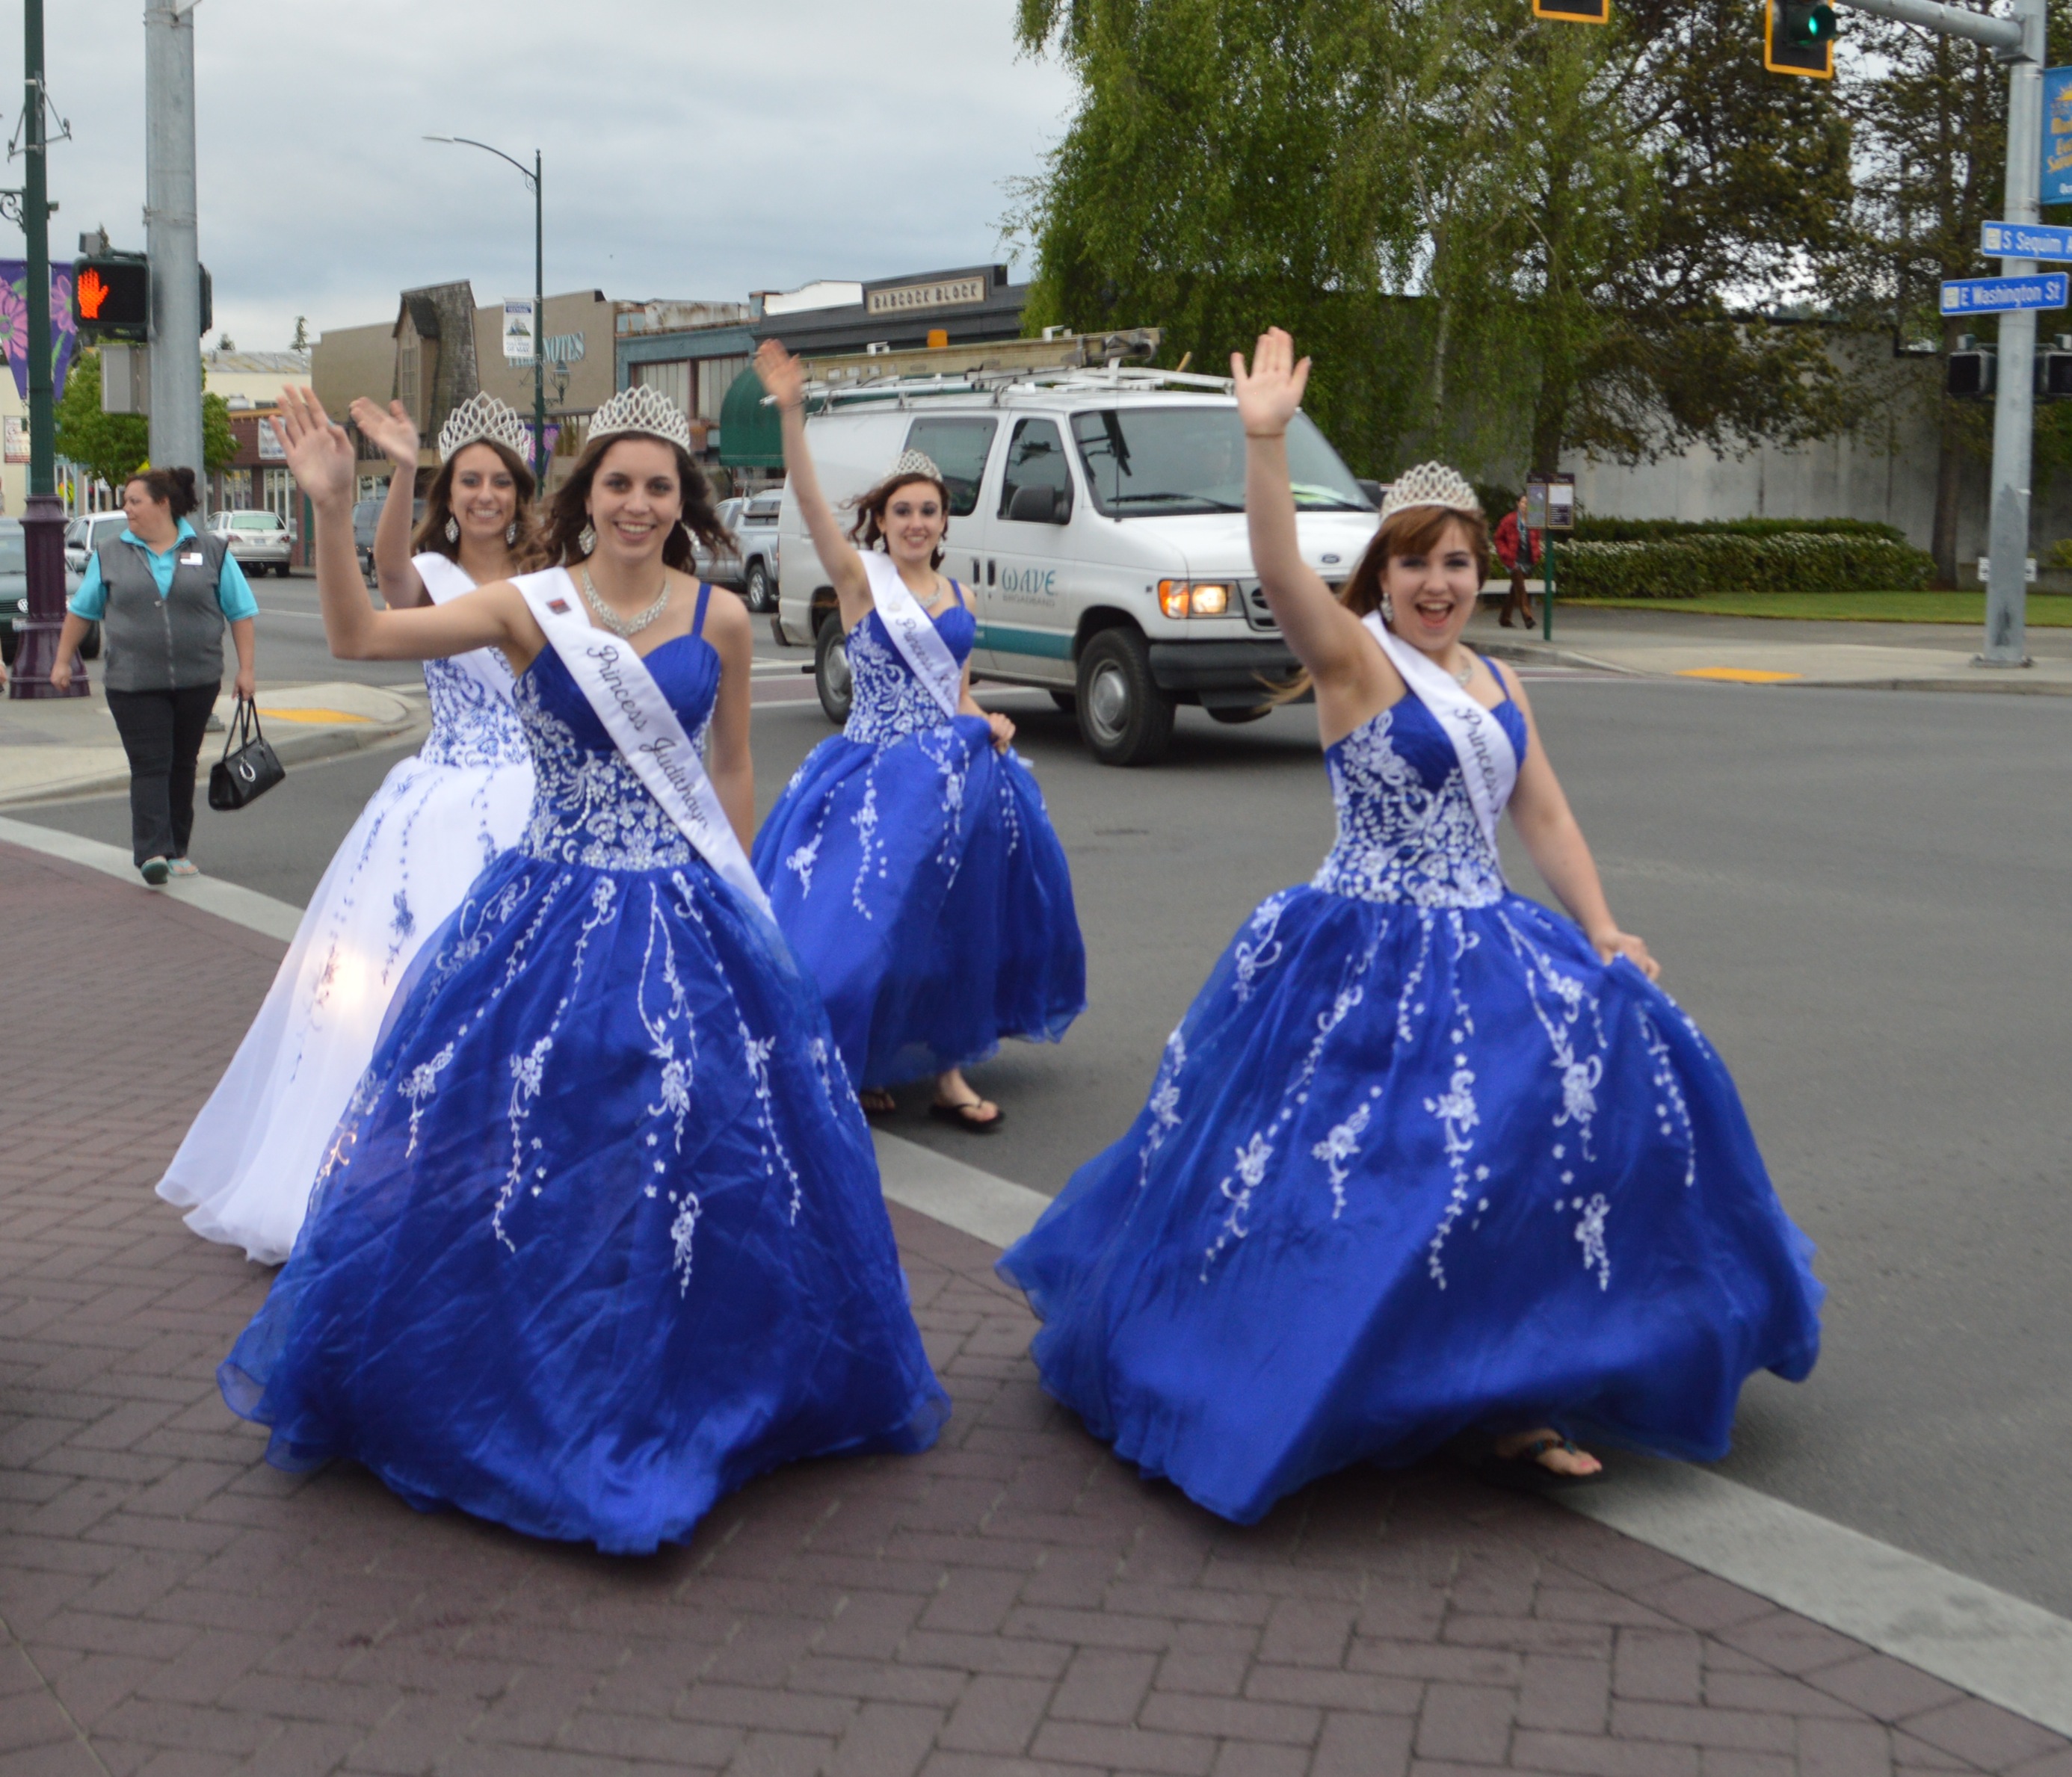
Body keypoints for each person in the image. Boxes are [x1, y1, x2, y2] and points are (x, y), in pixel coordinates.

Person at [996, 329, 1822, 1524]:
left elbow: (1542, 811)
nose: (1438, 584)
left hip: (1488, 941)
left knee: (1549, 1136)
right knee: (1370, 1184)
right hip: (1359, 952)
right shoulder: (1353, 664)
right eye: (1416, 565)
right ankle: (1355, 1371)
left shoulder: (1494, 679)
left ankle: (1514, 1389)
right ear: (1381, 575)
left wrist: (1600, 928)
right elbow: (1279, 574)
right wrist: (1267, 441)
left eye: (1457, 564)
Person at [223, 381, 947, 1554]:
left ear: (684, 501)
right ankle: (528, 1379)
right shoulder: (528, 606)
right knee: (533, 1150)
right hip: (548, 912)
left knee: (697, 1161)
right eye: (618, 481)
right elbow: (362, 635)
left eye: (660, 484)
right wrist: (333, 507)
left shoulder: (717, 618)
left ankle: (690, 1378)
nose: (638, 502)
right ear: (586, 494)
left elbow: (729, 773)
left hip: (690, 916)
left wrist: (747, 891)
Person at [155, 393, 543, 1264]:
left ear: (522, 492)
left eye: (499, 482)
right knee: (393, 991)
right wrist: (402, 466)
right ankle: (379, 1181)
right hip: (442, 804)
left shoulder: (553, 576)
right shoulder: (433, 574)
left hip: (538, 801)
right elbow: (388, 567)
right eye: (468, 481)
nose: (484, 496)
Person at [748, 341, 1085, 1131]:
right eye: (901, 510)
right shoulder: (862, 581)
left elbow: (957, 689)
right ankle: (859, 1058)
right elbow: (807, 504)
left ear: (943, 521)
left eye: (928, 510)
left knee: (950, 928)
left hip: (955, 779)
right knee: (868, 926)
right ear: (883, 518)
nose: (915, 522)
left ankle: (947, 1071)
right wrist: (794, 414)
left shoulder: (957, 589)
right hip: (872, 774)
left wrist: (987, 721)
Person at [50, 467, 257, 885]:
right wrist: (61, 660)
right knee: (150, 764)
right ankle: (151, 852)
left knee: (183, 764)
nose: (126, 509)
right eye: (126, 502)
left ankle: (177, 848)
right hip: (133, 683)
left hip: (197, 680)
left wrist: (246, 670)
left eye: (134, 501)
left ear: (163, 504)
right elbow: (82, 611)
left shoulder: (211, 550)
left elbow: (241, 611)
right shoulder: (111, 552)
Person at [1493, 492, 1541, 629]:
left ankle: (1504, 618)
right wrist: (1505, 552)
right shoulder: (1509, 520)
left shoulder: (1534, 521)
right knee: (1520, 587)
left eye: (1528, 503)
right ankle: (1528, 617)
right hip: (1512, 560)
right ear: (1518, 504)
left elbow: (1536, 539)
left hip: (1527, 560)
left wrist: (1537, 553)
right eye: (1524, 503)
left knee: (1515, 590)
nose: (1526, 506)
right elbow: (1498, 538)